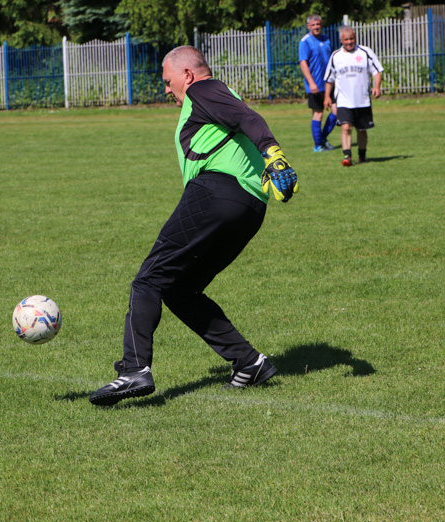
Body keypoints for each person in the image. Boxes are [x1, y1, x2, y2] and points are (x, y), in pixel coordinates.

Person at [89, 46, 298, 407]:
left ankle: (135, 369)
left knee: (149, 278)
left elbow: (249, 118)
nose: (167, 90)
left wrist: (274, 154)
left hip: (216, 193)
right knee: (179, 289)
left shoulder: (203, 90)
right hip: (249, 208)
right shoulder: (210, 97)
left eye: (168, 82)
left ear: (187, 74)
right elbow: (242, 118)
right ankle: (249, 363)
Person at [323, 26, 383, 167]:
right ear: (341, 40)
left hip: (362, 100)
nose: (349, 42)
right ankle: (347, 156)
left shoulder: (365, 52)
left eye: (352, 39)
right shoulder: (336, 56)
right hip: (343, 100)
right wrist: (327, 97)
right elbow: (329, 79)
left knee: (361, 130)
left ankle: (362, 156)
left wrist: (377, 86)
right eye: (346, 39)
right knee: (345, 128)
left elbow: (377, 71)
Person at [299, 14, 338, 152]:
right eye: (313, 25)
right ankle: (318, 146)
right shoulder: (305, 42)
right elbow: (303, 63)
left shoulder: (326, 39)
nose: (316, 27)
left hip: (329, 83)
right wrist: (311, 83)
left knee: (336, 111)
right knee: (318, 114)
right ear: (308, 26)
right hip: (315, 85)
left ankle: (322, 139)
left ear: (321, 24)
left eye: (318, 24)